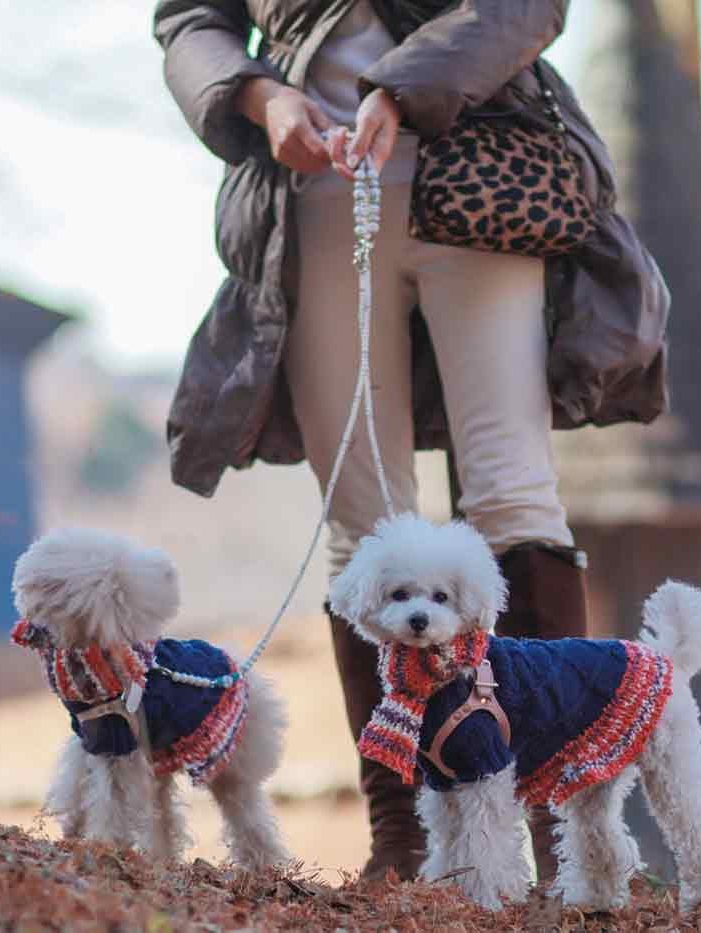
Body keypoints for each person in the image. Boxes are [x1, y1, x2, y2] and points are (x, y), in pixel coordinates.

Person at [153, 0, 669, 882]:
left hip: (487, 182)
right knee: (362, 517)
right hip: (310, 200)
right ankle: (402, 835)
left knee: (514, 494)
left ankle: (553, 831)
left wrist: (401, 85)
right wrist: (258, 97)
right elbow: (191, 18)